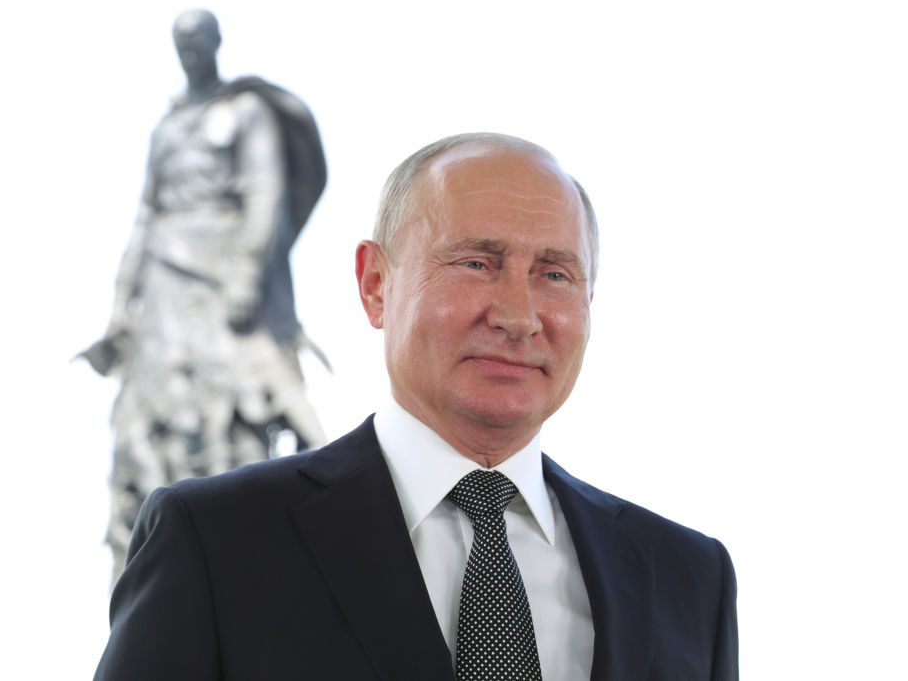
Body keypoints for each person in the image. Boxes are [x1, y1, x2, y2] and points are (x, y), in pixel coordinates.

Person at [93, 133, 739, 680]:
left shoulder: (690, 578)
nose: (518, 316)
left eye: (554, 274)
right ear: (375, 284)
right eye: (477, 263)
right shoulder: (214, 543)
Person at [81, 9, 328, 579]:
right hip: (165, 284)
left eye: (198, 42)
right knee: (159, 406)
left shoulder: (247, 111)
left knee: (246, 394)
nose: (191, 52)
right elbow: (146, 215)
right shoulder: (166, 128)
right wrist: (120, 306)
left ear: (216, 43)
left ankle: (246, 509)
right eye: (182, 44)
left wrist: (245, 276)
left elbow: (265, 192)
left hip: (224, 275)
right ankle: (163, 527)